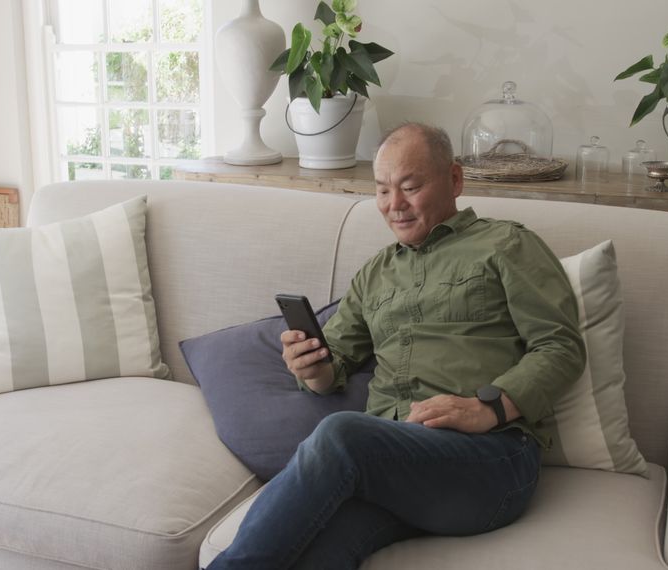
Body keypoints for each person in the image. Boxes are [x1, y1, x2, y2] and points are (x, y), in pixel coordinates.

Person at [207, 123, 586, 569]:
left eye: (410, 187)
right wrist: (312, 368)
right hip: (393, 465)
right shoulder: (375, 274)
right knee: (318, 552)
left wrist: (489, 408)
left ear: (455, 180)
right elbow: (334, 369)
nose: (394, 205)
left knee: (340, 433)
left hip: (489, 459)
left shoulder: (506, 244)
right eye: (383, 190)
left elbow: (560, 346)